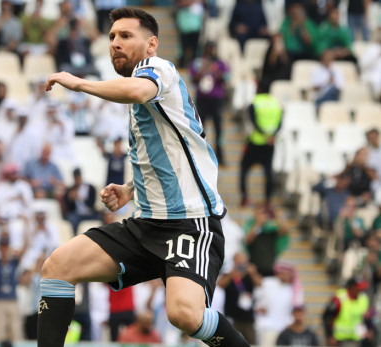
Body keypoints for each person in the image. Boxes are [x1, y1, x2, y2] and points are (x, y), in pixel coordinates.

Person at [41, 7, 248, 347]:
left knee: (184, 315)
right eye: (111, 37)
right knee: (58, 266)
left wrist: (78, 82)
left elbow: (137, 91)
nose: (115, 44)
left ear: (151, 44)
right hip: (146, 224)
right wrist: (128, 190)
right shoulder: (144, 105)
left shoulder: (159, 69)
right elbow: (171, 159)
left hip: (189, 224)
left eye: (125, 36)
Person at [239, 92, 283, 207]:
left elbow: (252, 121)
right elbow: (280, 123)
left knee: (244, 168)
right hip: (270, 143)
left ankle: (244, 198)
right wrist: (271, 135)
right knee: (268, 172)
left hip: (255, 142)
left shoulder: (256, 101)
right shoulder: (276, 103)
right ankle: (268, 200)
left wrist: (263, 134)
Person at [189, 41, 229, 163]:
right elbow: (193, 79)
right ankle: (201, 154)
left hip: (216, 100)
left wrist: (217, 72)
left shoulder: (220, 63)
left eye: (212, 48)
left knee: (218, 128)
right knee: (201, 127)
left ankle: (220, 155)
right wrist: (204, 69)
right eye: (208, 48)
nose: (210, 51)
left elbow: (227, 79)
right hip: (202, 99)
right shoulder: (197, 62)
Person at [323, 277, 375, 347]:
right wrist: (330, 335)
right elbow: (326, 316)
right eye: (359, 288)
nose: (361, 290)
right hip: (340, 339)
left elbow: (367, 317)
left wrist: (370, 330)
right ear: (352, 287)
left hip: (357, 339)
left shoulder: (363, 298)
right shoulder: (339, 298)